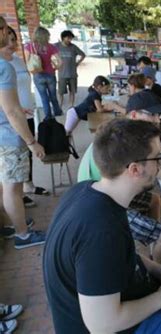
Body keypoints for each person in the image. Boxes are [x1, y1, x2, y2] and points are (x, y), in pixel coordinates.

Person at [43, 118, 161, 334]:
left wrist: (155, 266)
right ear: (135, 169)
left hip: (122, 295)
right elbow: (101, 325)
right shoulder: (101, 230)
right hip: (111, 324)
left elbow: (120, 257)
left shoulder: (90, 190)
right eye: (158, 157)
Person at [78, 89, 161, 263]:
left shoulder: (122, 129)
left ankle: (154, 252)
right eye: (152, 115)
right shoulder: (130, 140)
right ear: (133, 115)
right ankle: (158, 271)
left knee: (154, 201)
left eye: (159, 115)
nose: (157, 119)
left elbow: (155, 166)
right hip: (102, 204)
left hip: (101, 190)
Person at [0, 18, 46, 249]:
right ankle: (23, 235)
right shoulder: (3, 66)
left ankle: (12, 224)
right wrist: (31, 142)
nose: (7, 35)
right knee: (13, 188)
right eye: (4, 30)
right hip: (7, 136)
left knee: (4, 185)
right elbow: (11, 110)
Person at [7, 27, 49, 208]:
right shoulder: (2, 65)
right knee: (14, 158)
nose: (12, 43)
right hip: (12, 117)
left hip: (27, 113)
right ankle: (15, 195)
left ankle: (28, 186)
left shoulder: (17, 60)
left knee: (26, 155)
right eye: (7, 39)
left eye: (13, 38)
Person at [24, 26, 62, 119]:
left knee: (44, 97)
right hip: (50, 75)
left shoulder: (29, 46)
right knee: (53, 96)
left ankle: (48, 115)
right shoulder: (51, 47)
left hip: (38, 75)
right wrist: (55, 68)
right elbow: (60, 62)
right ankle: (57, 111)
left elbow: (27, 62)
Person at [55, 30, 86, 108]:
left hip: (72, 74)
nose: (69, 40)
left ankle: (71, 106)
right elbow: (49, 53)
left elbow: (83, 55)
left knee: (72, 91)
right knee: (61, 92)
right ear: (63, 38)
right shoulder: (56, 46)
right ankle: (60, 106)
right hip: (62, 74)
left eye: (71, 38)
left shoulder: (73, 47)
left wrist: (78, 63)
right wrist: (54, 64)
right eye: (68, 38)